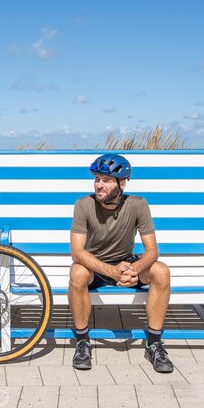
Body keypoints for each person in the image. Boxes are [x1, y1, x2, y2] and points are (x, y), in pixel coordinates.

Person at [69, 153, 174, 373]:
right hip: (95, 266)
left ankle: (153, 343)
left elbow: (152, 251)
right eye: (97, 179)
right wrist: (112, 272)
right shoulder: (83, 205)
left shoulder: (138, 205)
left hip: (127, 265)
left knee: (161, 271)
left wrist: (133, 269)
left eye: (106, 180)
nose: (99, 185)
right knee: (77, 273)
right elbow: (77, 252)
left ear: (122, 183)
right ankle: (82, 342)